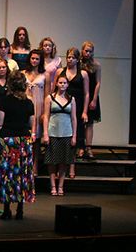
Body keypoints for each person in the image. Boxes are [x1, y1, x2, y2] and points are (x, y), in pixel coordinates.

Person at [0, 70, 36, 220]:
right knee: (21, 174)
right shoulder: (29, 103)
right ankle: (20, 209)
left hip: (7, 141)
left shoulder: (5, 101)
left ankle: (6, 209)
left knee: (7, 174)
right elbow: (31, 123)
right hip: (22, 141)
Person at [54, 47, 89, 178]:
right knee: (61, 137)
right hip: (62, 106)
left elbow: (86, 94)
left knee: (73, 137)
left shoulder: (83, 73)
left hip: (77, 105)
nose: (70, 59)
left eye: (73, 57)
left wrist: (85, 111)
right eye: (68, 57)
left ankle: (72, 166)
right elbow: (53, 90)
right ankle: (60, 167)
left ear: (77, 59)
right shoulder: (60, 71)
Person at [42, 74, 77, 196]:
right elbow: (46, 116)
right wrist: (45, 133)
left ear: (68, 85)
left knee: (64, 161)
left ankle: (61, 186)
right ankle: (53, 186)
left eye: (65, 83)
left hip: (66, 133)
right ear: (56, 84)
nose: (62, 85)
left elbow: (74, 118)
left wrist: (74, 136)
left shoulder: (71, 99)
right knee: (52, 161)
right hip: (53, 133)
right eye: (60, 82)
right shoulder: (50, 98)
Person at [22, 49, 49, 175]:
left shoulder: (45, 75)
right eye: (32, 58)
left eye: (37, 59)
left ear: (40, 61)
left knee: (36, 140)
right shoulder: (23, 73)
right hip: (25, 106)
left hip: (39, 107)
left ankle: (35, 165)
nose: (34, 61)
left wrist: (45, 112)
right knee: (25, 136)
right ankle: (24, 165)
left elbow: (47, 95)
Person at [80, 41, 102, 160]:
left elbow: (98, 83)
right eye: (86, 51)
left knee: (89, 124)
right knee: (79, 123)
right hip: (80, 96)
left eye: (90, 51)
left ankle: (88, 148)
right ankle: (80, 147)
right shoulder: (78, 64)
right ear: (82, 51)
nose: (87, 53)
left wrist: (94, 99)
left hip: (92, 96)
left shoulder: (96, 65)